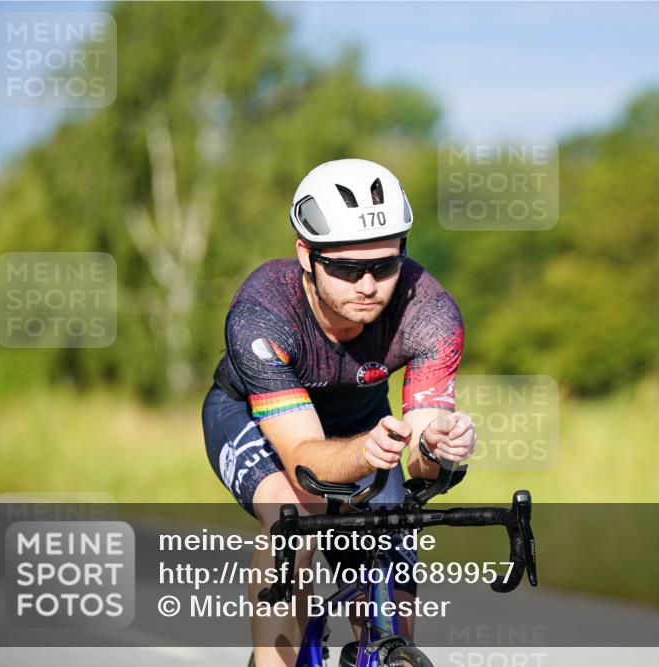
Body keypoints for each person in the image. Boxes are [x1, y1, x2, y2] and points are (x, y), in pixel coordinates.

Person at [201, 158, 477, 667]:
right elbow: (304, 460)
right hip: (256, 420)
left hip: (362, 425)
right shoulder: (263, 312)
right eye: (347, 269)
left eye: (386, 266)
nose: (368, 285)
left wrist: (439, 446)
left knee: (389, 544)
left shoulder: (430, 312)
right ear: (306, 255)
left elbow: (420, 460)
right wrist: (367, 454)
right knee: (292, 512)